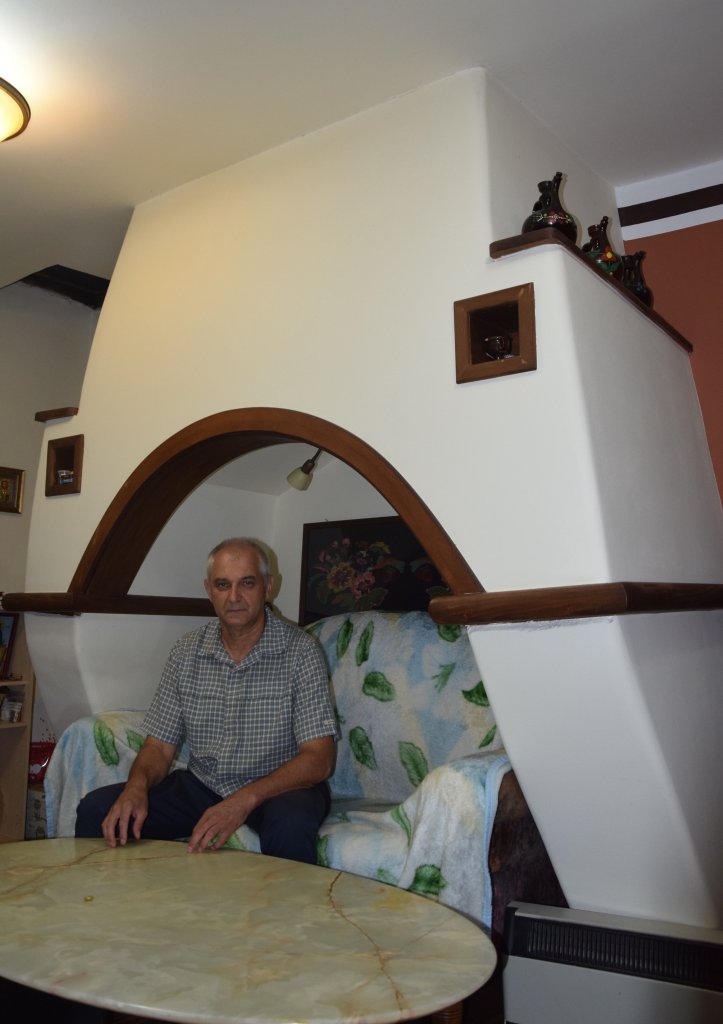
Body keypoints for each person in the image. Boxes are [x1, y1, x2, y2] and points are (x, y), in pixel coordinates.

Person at [75, 538, 338, 864]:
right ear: (209, 590)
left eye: (247, 583)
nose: (234, 597)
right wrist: (136, 788)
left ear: (268, 587)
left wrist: (244, 800)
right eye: (223, 585)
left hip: (279, 789)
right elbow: (159, 747)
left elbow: (319, 759)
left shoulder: (301, 652)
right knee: (98, 810)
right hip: (203, 785)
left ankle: (287, 901)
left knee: (291, 825)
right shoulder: (186, 652)